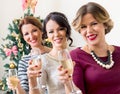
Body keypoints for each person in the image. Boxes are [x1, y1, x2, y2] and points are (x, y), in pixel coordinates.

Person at [69, 2, 120, 94]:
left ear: (105, 24)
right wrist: (67, 82)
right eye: (83, 27)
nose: (89, 31)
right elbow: (77, 92)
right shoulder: (76, 56)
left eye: (94, 24)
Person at [28, 11, 74, 94]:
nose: (56, 34)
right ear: (47, 35)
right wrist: (32, 81)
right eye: (51, 32)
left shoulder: (77, 54)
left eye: (60, 29)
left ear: (66, 30)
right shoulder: (44, 60)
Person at [7, 16, 51, 94]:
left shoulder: (53, 54)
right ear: (24, 38)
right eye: (26, 34)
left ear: (41, 31)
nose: (31, 36)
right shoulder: (24, 62)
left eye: (34, 31)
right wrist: (17, 86)